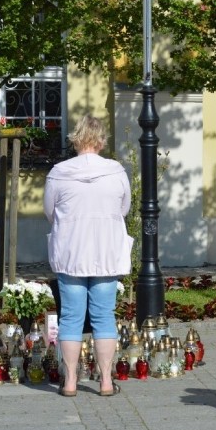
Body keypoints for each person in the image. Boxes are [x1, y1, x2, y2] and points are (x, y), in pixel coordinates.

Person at [44, 114, 133, 397]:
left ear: (75, 139)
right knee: (104, 316)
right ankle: (106, 381)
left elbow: (50, 211)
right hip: (106, 251)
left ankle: (70, 382)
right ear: (102, 140)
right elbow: (125, 208)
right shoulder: (116, 171)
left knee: (70, 317)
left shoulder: (58, 172)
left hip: (71, 251)